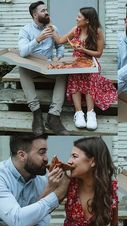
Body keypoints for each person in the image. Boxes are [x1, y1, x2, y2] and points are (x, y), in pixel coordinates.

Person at [52, 7, 117, 130]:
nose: (76, 19)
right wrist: (52, 28)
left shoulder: (97, 32)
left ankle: (91, 113)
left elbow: (99, 53)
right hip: (76, 62)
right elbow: (60, 41)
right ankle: (79, 113)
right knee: (74, 77)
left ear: (87, 20)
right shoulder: (75, 30)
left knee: (90, 78)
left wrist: (84, 50)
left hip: (91, 62)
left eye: (79, 17)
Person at [0, 134, 70, 226]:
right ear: (22, 155)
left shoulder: (40, 180)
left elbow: (43, 209)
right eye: (41, 152)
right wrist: (57, 193)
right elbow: (17, 220)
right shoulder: (2, 177)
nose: (46, 158)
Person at [18, 1, 69, 135]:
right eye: (43, 10)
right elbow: (22, 52)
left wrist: (58, 57)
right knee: (21, 69)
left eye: (46, 10)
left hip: (48, 66)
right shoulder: (25, 30)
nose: (46, 12)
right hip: (32, 67)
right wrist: (38, 39)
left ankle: (53, 116)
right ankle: (36, 112)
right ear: (35, 15)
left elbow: (60, 46)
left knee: (64, 73)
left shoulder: (53, 28)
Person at [63, 136, 118, 226]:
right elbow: (42, 208)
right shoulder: (68, 182)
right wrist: (50, 184)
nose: (69, 161)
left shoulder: (111, 187)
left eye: (74, 156)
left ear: (92, 161)